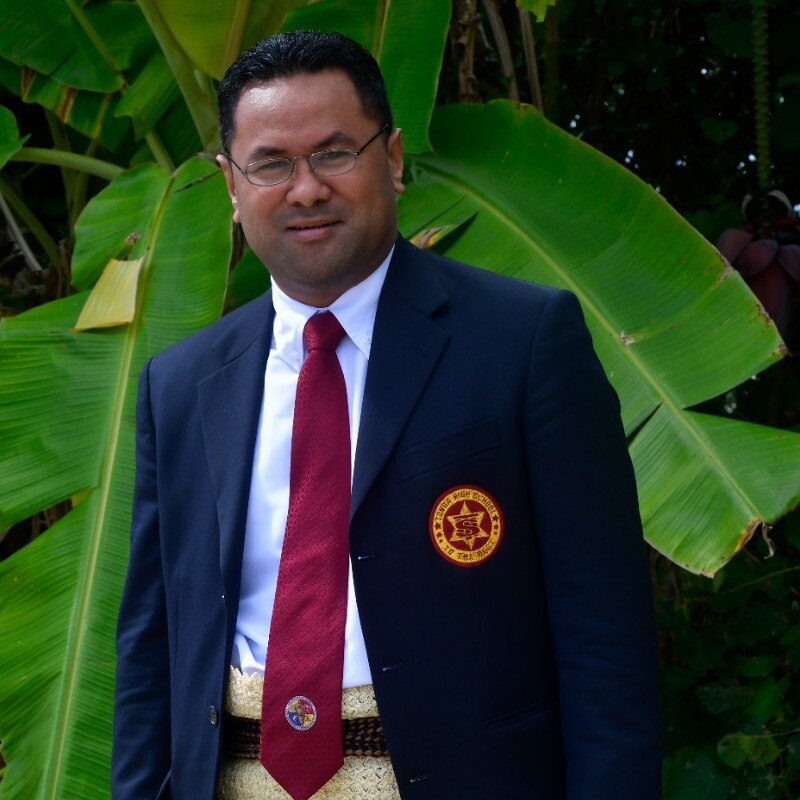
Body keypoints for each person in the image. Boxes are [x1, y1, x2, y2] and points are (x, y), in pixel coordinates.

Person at [112, 29, 662, 800]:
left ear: (393, 159)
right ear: (232, 187)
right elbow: (149, 650)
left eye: (334, 153)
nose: (305, 190)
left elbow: (604, 636)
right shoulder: (181, 384)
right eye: (271, 164)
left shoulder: (522, 344)